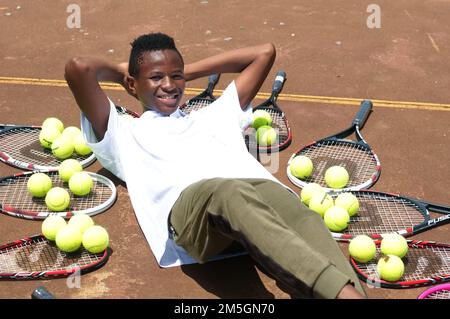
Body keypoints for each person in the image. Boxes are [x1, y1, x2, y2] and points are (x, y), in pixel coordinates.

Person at [65, 32, 366, 299]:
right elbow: (79, 68)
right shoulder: (123, 131)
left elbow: (264, 52)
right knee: (228, 192)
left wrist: (180, 71)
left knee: (305, 217)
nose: (169, 85)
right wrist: (127, 73)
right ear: (133, 83)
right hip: (195, 212)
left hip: (252, 198)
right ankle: (343, 294)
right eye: (156, 77)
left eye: (176, 76)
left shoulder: (214, 114)